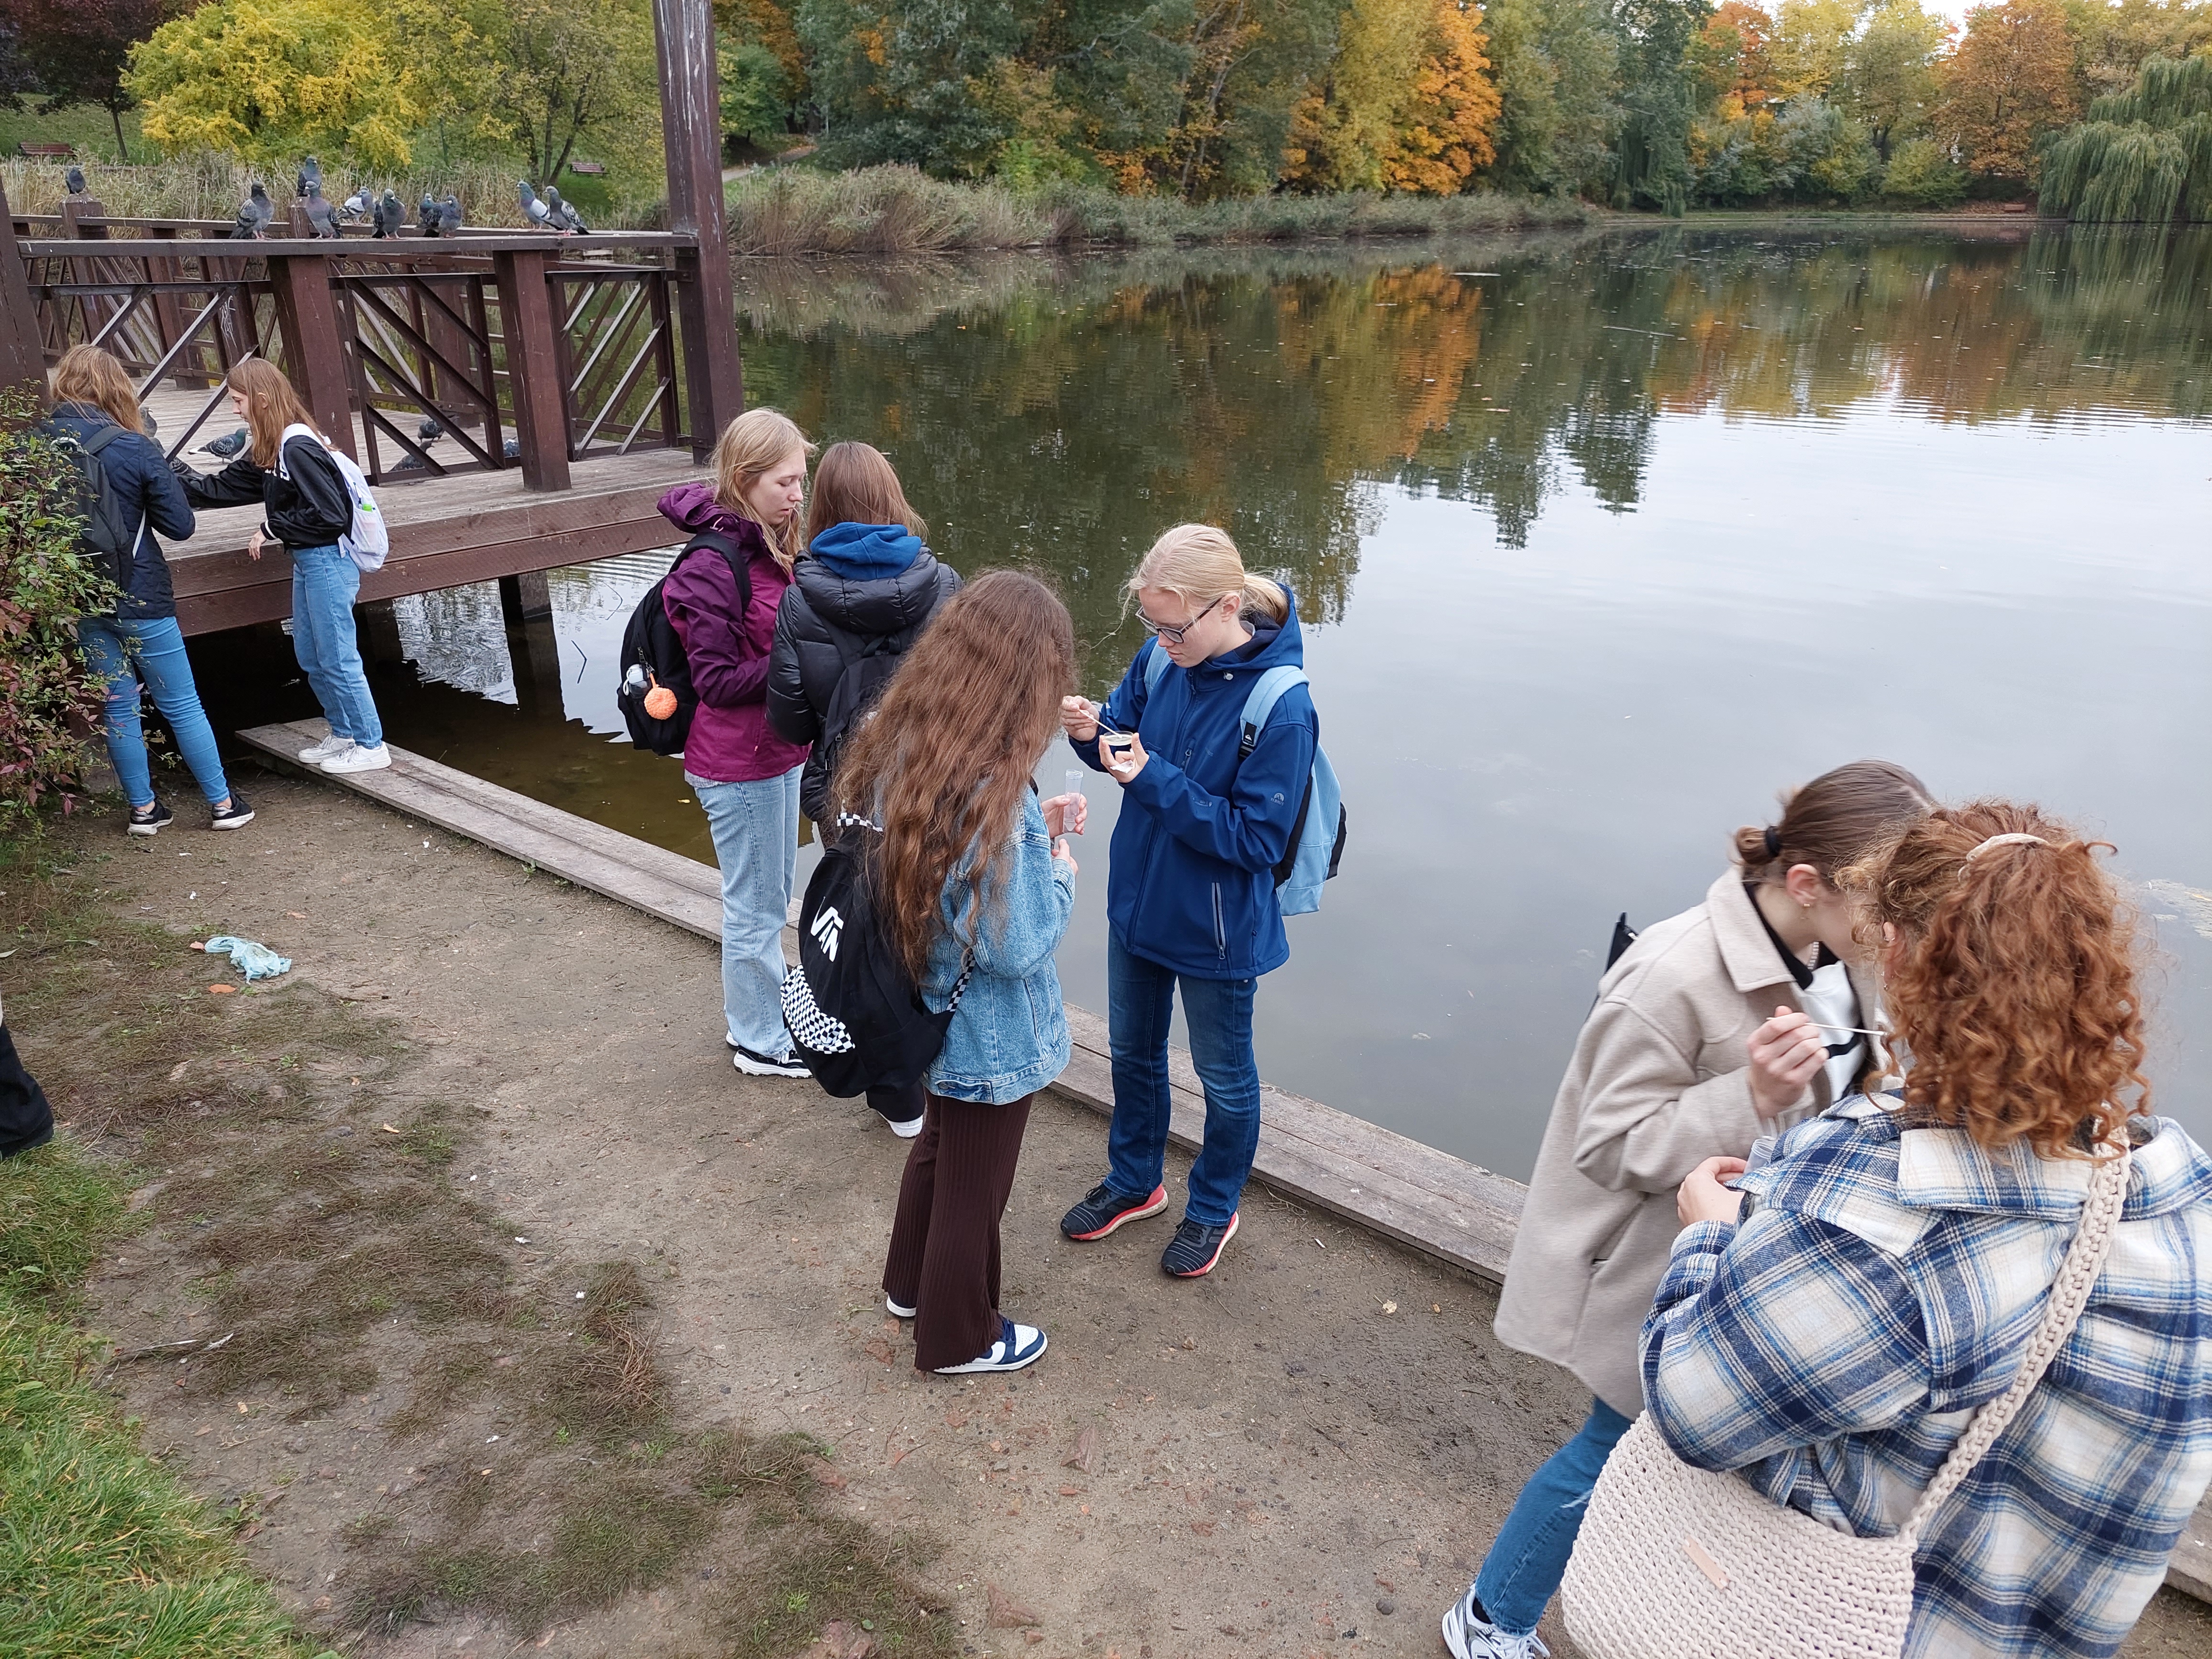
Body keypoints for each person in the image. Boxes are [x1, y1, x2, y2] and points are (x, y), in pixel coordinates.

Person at [1647, 802, 2212, 1659]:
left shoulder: (1879, 1222)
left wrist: (1710, 1235)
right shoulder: (2177, 1202)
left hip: (1833, 1627)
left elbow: (1692, 1405)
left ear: (1905, 957)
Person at [1444, 759, 1935, 1659]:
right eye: (1886, 907)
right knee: (1611, 1451)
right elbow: (1603, 1145)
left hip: (1764, 1261)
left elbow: (1845, 1080)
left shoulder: (1843, 954)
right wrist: (1742, 1093)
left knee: (1696, 1461)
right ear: (1804, 883)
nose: (1897, 929)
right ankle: (1489, 1614)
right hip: (1654, 1269)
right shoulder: (1667, 974)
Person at [1056, 524, 1317, 1280]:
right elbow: (1121, 740)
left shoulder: (1283, 707)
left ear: (1226, 607)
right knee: (1132, 1054)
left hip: (1217, 929)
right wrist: (1088, 733)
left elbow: (1257, 841)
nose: (1160, 639)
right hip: (1138, 906)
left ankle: (1214, 1206)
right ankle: (1137, 1181)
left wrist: (1152, 779)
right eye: (1152, 623)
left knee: (1225, 1078)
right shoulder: (1159, 660)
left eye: (1174, 626)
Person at [839, 571, 1083, 1374]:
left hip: (926, 1003)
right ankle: (956, 1336)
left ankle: (908, 1285)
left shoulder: (904, 740)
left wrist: (1026, 837)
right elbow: (1016, 945)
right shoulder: (991, 788)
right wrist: (1058, 862)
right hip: (984, 1026)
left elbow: (950, 875)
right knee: (975, 1190)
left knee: (937, 1147)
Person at [767, 441, 962, 1133]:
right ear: (893, 498)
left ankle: (896, 1099)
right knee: (937, 925)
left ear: (821, 505)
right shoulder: (945, 586)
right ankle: (951, 1075)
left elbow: (789, 719)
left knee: (862, 934)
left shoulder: (799, 600)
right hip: (933, 794)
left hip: (846, 798)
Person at [657, 408, 814, 1078]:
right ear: (745, 480)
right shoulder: (712, 564)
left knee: (772, 900)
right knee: (753, 909)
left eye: (802, 480)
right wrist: (801, 662)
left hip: (777, 754)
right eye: (786, 482)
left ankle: (762, 1016)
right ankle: (757, 1040)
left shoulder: (770, 544)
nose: (798, 495)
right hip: (737, 764)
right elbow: (717, 682)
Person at [44, 345, 252, 832]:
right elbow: (180, 527)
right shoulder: (133, 445)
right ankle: (223, 805)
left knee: (117, 704)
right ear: (115, 387)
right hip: (141, 593)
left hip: (81, 593)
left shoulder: (36, 444)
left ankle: (143, 810)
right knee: (181, 702)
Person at [174, 360, 389, 774]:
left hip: (328, 560)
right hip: (308, 561)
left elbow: (332, 516)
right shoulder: (272, 447)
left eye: (238, 401)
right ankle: (344, 733)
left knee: (338, 656)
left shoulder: (297, 447)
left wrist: (272, 526)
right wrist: (162, 469)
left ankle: (370, 744)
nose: (236, 411)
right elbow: (217, 489)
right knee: (310, 653)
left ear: (263, 399)